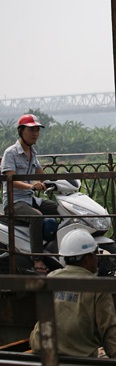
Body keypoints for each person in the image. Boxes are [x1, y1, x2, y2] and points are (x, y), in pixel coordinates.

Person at [29, 229, 116, 359]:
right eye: (95, 254)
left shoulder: (51, 277)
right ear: (87, 259)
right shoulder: (97, 286)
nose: (97, 258)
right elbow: (109, 329)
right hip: (77, 358)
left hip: (42, 351)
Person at [1, 114, 58, 274]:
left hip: (29, 199)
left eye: (37, 130)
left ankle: (56, 250)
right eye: (31, 130)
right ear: (21, 131)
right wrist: (31, 186)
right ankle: (37, 258)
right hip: (15, 201)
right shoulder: (11, 153)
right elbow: (9, 180)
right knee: (36, 217)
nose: (35, 134)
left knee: (57, 208)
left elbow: (41, 174)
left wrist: (57, 181)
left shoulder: (32, 152)